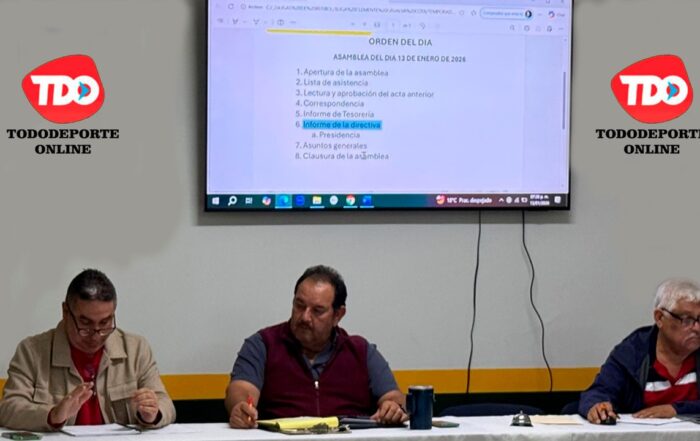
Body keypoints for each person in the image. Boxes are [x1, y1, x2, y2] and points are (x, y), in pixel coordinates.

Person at [226, 265, 407, 428]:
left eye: (317, 310)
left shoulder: (360, 351)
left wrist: (392, 407)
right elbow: (241, 389)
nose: (305, 317)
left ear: (338, 315)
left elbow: (393, 397)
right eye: (299, 305)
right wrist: (240, 407)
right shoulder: (263, 344)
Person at [0, 269, 175, 431]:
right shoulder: (32, 352)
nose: (96, 335)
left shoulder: (135, 349)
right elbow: (8, 409)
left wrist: (152, 415)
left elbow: (166, 404)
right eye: (85, 323)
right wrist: (52, 415)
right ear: (65, 312)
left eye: (105, 323)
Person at [580, 278, 700, 423]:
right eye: (687, 320)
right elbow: (599, 391)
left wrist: (675, 410)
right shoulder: (632, 352)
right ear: (660, 318)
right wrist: (597, 406)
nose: (697, 328)